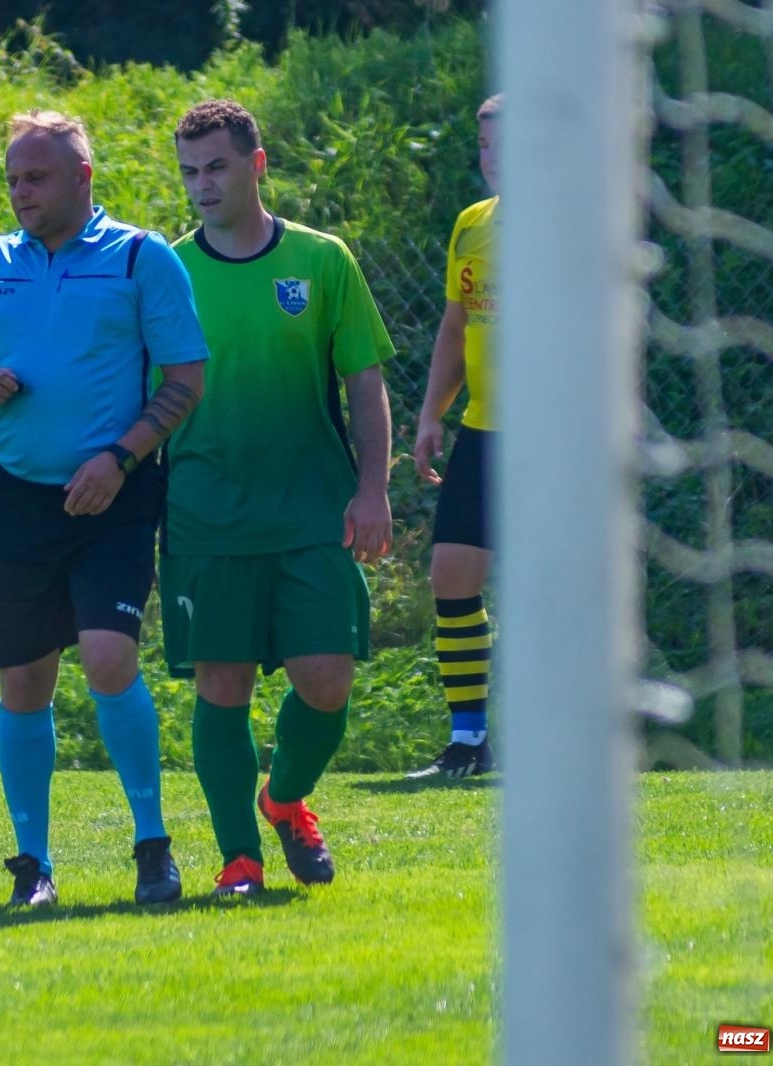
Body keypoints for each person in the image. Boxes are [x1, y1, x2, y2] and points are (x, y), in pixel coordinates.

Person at [0, 109, 208, 908]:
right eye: (13, 178)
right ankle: (33, 866)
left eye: (37, 177)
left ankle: (152, 846)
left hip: (112, 496)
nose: (21, 192)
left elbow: (184, 380)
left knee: (110, 657)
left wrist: (120, 459)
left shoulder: (138, 258)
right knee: (24, 682)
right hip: (14, 499)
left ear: (83, 177)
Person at [163, 99, 395, 897]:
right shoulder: (168, 271)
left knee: (327, 679)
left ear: (256, 165)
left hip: (311, 510)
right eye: (190, 171)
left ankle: (285, 799)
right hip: (206, 515)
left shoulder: (323, 261)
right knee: (219, 686)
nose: (203, 184)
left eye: (217, 166)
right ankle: (239, 860)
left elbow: (364, 382)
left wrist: (373, 490)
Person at [407, 94, 502, 781]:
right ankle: (468, 743)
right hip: (484, 432)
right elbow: (454, 327)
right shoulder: (472, 226)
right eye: (486, 145)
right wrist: (432, 414)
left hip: (556, 441)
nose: (495, 158)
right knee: (451, 577)